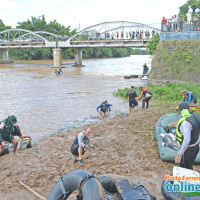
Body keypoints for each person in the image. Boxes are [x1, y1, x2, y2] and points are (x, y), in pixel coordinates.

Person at [175, 102, 200, 170]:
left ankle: (188, 180)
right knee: (189, 165)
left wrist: (179, 154)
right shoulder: (195, 117)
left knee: (186, 168)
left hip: (188, 150)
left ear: (181, 111)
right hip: (196, 147)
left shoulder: (185, 123)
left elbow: (187, 140)